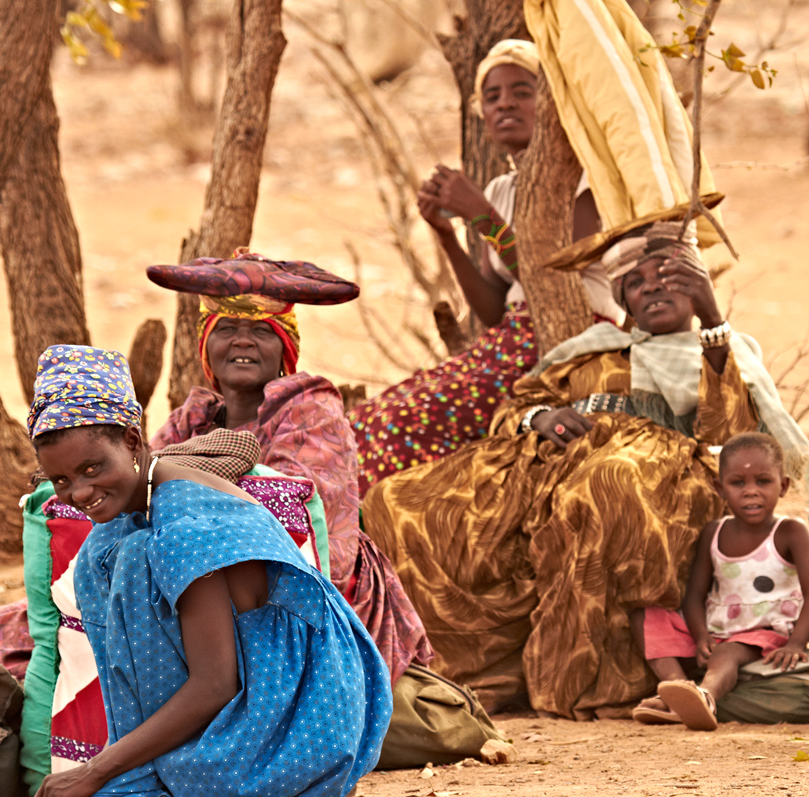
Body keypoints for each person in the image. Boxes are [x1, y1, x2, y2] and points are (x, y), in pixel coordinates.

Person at [360, 211, 809, 720]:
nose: (652, 289)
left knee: (605, 483)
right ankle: (436, 670)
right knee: (396, 501)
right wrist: (542, 416)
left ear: (696, 287)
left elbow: (725, 436)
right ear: (623, 302)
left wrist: (711, 321)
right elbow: (515, 405)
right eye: (635, 284)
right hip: (542, 462)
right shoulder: (589, 350)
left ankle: (578, 681)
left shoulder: (725, 349)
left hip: (654, 466)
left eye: (668, 279)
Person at [29, 345, 392, 797]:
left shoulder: (180, 523)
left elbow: (216, 683)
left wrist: (96, 771)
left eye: (91, 468)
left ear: (131, 440)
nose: (80, 491)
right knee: (104, 552)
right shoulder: (146, 496)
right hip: (259, 697)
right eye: (62, 480)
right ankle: (141, 767)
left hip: (299, 719)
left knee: (132, 561)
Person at [348, 38, 624, 496]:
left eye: (522, 90)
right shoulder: (501, 189)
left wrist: (481, 216)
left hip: (568, 340)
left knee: (403, 423)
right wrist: (445, 233)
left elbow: (555, 283)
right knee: (368, 419)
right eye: (492, 96)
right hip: (509, 337)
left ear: (553, 104)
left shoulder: (585, 180)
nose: (505, 104)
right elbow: (494, 308)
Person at [149, 254, 434, 686]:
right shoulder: (193, 420)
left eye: (262, 331)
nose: (242, 341)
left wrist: (178, 477)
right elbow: (141, 486)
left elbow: (293, 526)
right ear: (207, 345)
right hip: (207, 587)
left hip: (312, 600)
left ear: (286, 348)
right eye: (226, 329)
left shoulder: (311, 410)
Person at [630, 432, 809, 731]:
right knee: (645, 617)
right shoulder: (714, 532)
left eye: (763, 481)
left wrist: (796, 643)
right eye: (738, 483)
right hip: (718, 628)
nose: (751, 492)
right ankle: (678, 689)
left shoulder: (790, 532)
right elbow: (694, 596)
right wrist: (700, 636)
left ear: (784, 485)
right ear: (719, 488)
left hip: (767, 631)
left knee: (728, 652)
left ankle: (707, 696)